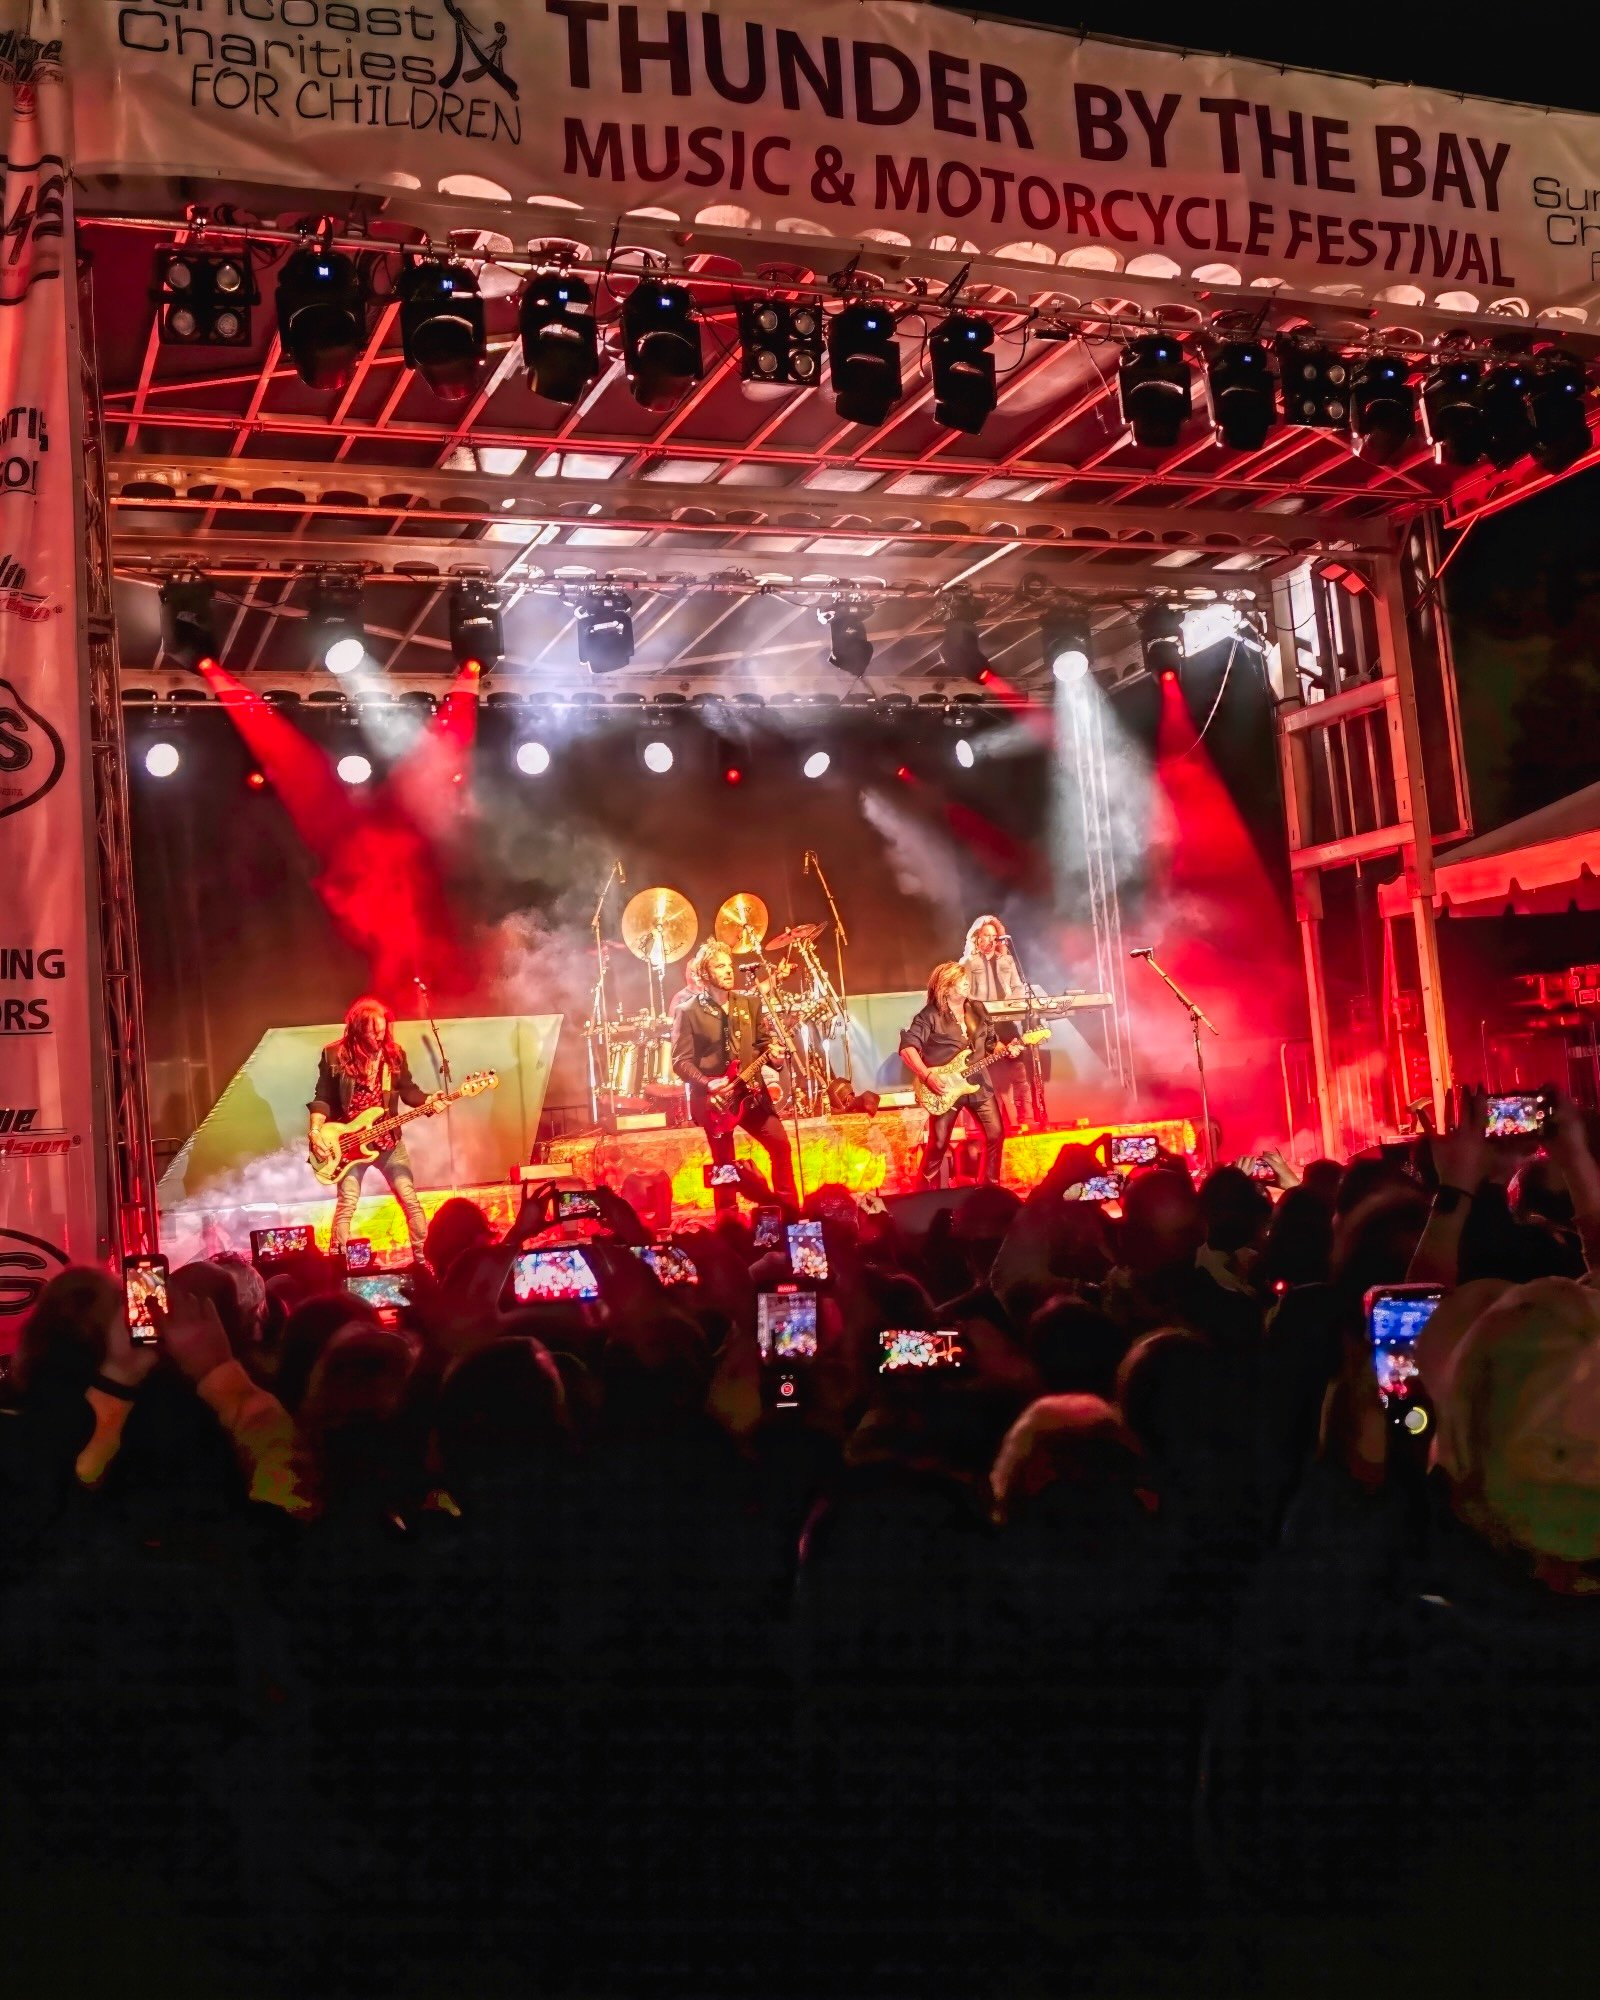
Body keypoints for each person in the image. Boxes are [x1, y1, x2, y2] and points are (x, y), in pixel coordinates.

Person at [308, 995, 440, 1261]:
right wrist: (315, 1132)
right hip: (350, 1143)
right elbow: (322, 1097)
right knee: (347, 1205)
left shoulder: (394, 1053)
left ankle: (424, 1263)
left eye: (382, 1031)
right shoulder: (334, 1054)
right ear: (357, 1029)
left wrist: (429, 1101)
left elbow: (408, 1091)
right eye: (372, 1033)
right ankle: (339, 1264)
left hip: (388, 1142)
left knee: (410, 1201)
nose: (379, 1038)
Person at [671, 941, 796, 1214]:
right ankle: (728, 1222)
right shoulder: (688, 1011)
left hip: (751, 1095)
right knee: (724, 1165)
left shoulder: (748, 1004)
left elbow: (763, 1043)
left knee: (781, 1147)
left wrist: (774, 1056)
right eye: (720, 966)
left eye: (729, 965)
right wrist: (707, 1083)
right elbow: (680, 1061)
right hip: (716, 1102)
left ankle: (789, 1214)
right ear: (704, 974)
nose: (729, 970)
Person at [899, 960, 1006, 1189]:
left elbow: (990, 1044)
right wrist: (927, 1076)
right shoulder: (930, 1015)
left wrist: (1006, 1049)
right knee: (938, 1144)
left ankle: (990, 1189)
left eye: (967, 979)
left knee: (996, 1134)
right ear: (946, 987)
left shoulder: (978, 1009)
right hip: (944, 1088)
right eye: (961, 981)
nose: (967, 983)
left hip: (979, 1084)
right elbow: (907, 1049)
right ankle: (924, 1190)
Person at [960, 913, 1034, 1127]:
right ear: (977, 938)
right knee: (986, 1077)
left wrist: (1010, 1002)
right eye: (986, 935)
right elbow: (964, 995)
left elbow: (1019, 986)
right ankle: (989, 1122)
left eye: (994, 936)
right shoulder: (968, 962)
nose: (990, 940)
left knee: (1018, 1069)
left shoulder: (1007, 960)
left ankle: (1026, 1118)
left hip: (1006, 1022)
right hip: (981, 1025)